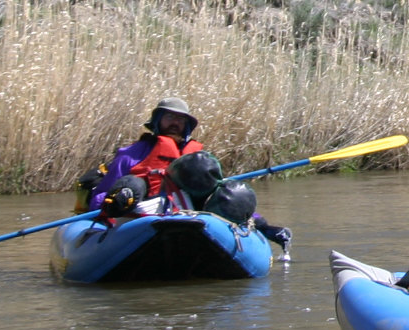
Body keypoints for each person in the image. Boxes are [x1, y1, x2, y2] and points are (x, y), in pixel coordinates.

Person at [82, 98, 291, 249]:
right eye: (170, 117)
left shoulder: (199, 161)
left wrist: (263, 226)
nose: (175, 123)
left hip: (190, 221)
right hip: (138, 222)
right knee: (131, 185)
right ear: (157, 121)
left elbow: (223, 199)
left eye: (181, 119)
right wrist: (113, 203)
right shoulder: (130, 155)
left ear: (188, 125)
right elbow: (100, 196)